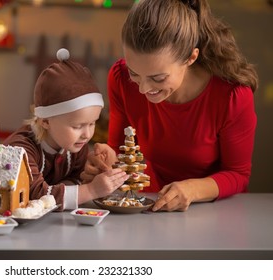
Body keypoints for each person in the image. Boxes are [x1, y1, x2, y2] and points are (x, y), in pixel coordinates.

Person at [81, 0, 258, 212]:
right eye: (134, 73)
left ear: (190, 57)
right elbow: (119, 149)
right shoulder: (120, 79)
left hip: (216, 212)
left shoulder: (232, 96)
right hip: (149, 206)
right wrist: (108, 162)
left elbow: (237, 174)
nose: (143, 89)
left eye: (158, 77)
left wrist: (192, 189)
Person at [3, 48, 129, 211]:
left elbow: (75, 180)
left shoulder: (74, 145)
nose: (87, 134)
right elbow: (35, 194)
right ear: (45, 121)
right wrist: (91, 190)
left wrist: (92, 176)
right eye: (77, 126)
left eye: (92, 123)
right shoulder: (20, 151)